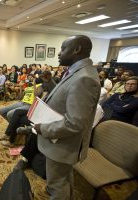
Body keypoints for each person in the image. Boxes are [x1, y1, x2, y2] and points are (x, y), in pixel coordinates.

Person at [32, 35, 100, 199]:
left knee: (57, 185)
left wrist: (43, 128)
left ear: (76, 50)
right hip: (61, 141)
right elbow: (65, 95)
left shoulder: (85, 78)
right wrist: (49, 83)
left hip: (63, 143)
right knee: (62, 179)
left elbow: (75, 123)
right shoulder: (77, 72)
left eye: (63, 49)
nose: (58, 53)